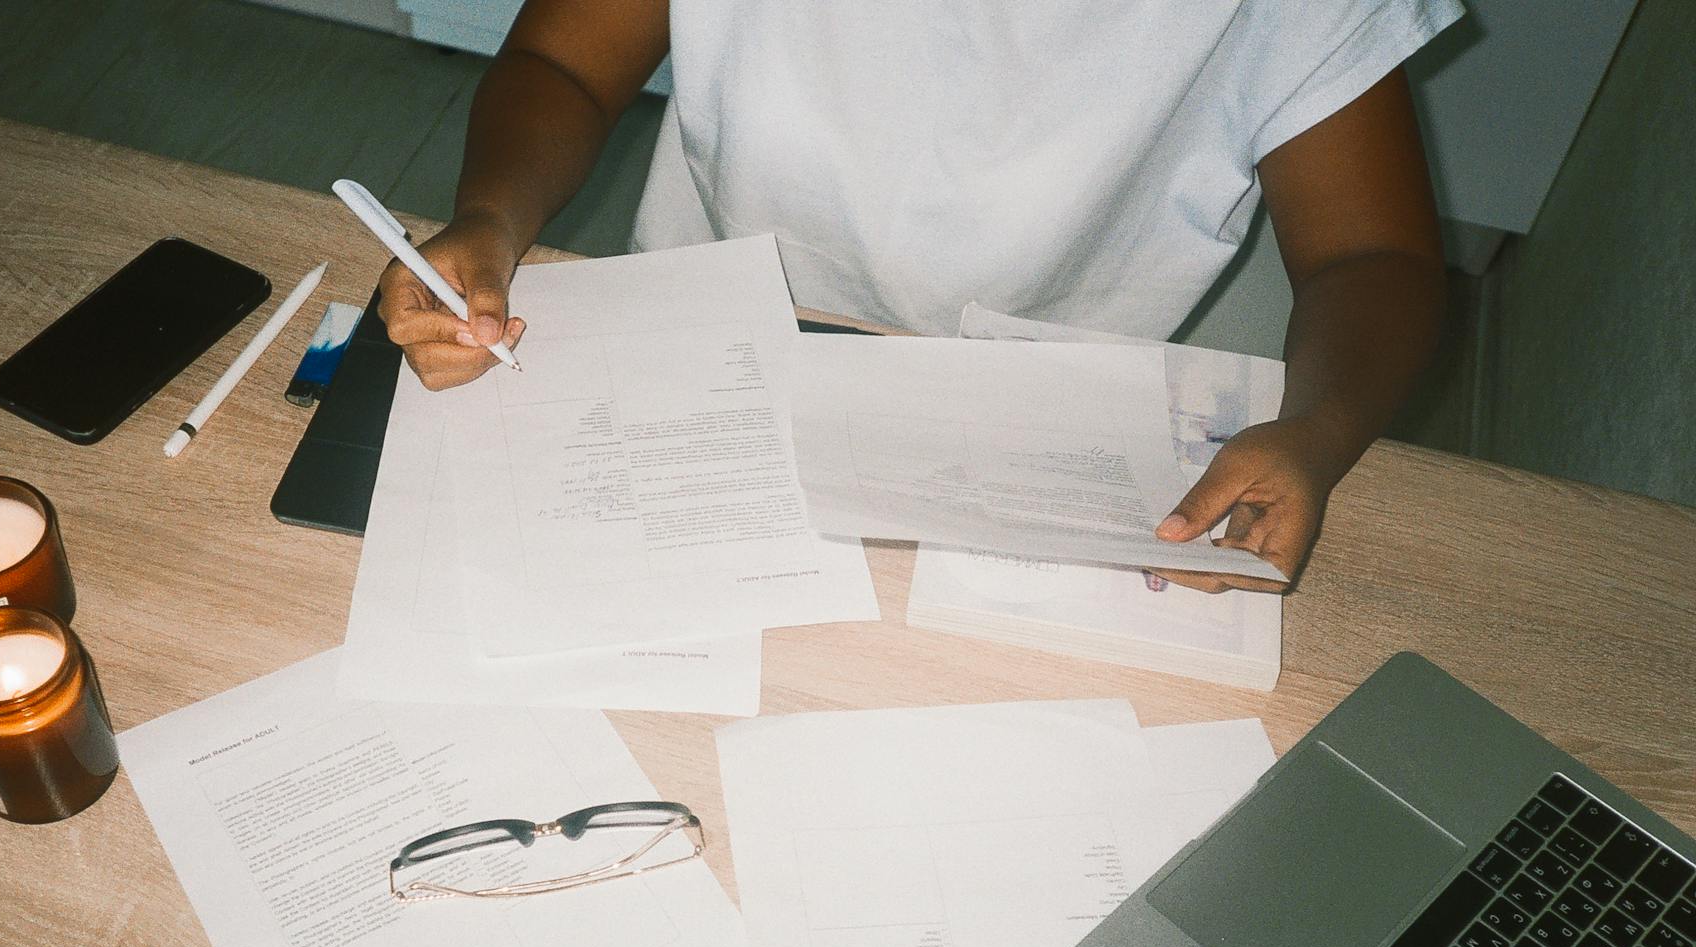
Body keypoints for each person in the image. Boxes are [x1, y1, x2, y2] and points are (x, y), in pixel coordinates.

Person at [378, 0, 1463, 593]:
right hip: (704, 346)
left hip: (1029, 430)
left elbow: (1376, 258)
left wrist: (1317, 432)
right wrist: (491, 218)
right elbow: (564, 64)